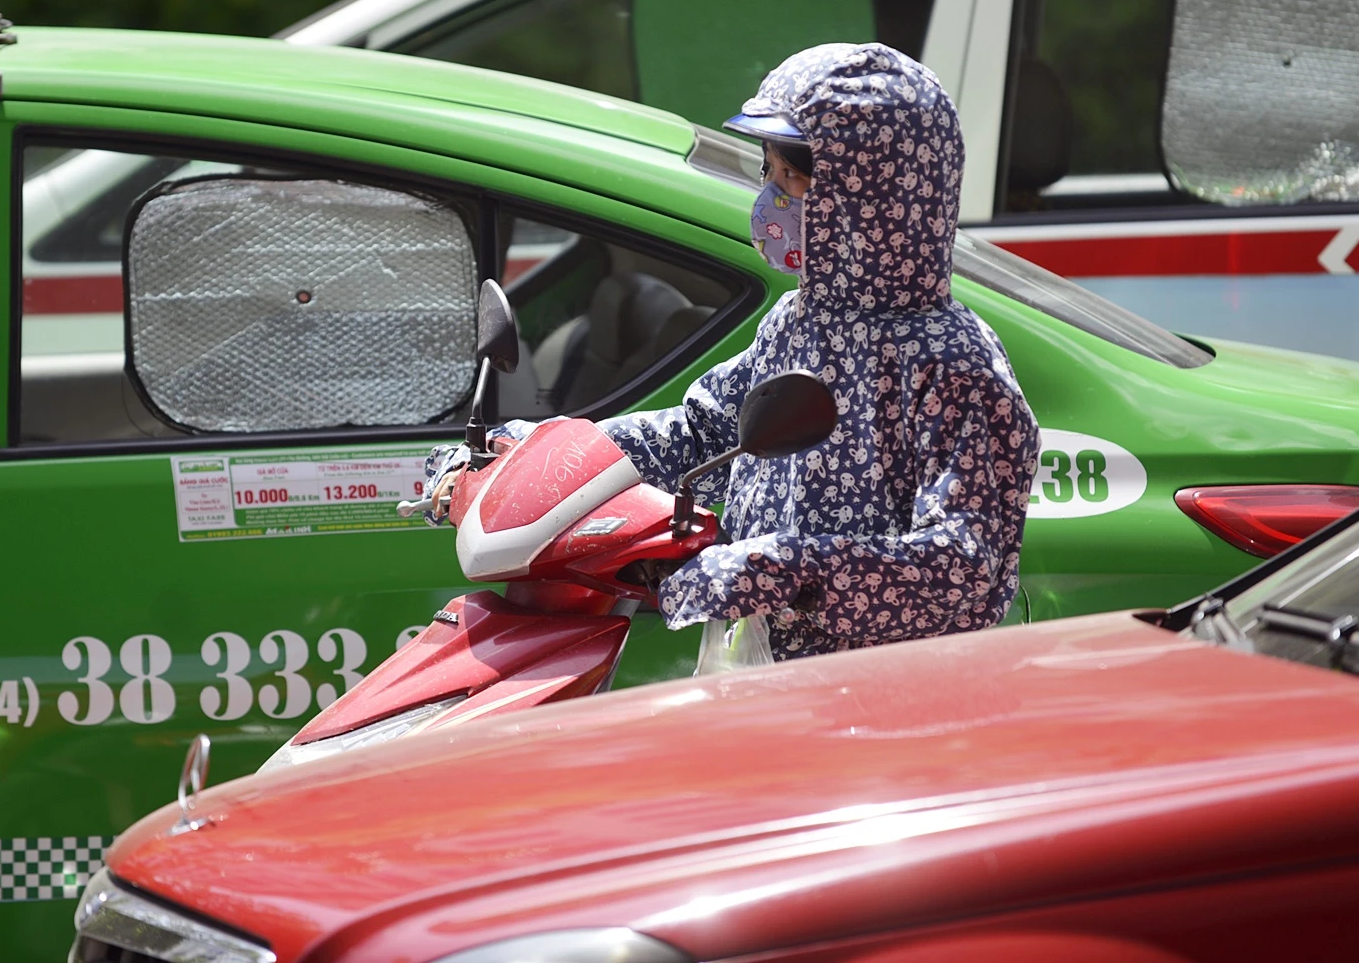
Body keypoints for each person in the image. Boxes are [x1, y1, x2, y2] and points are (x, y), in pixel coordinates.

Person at [425, 42, 1039, 662]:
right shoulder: (798, 323)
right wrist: (534, 455)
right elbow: (703, 433)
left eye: (793, 178)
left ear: (873, 193)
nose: (772, 200)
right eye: (768, 173)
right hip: (767, 670)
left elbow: (967, 570)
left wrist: (790, 571)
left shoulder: (952, 363)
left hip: (885, 701)